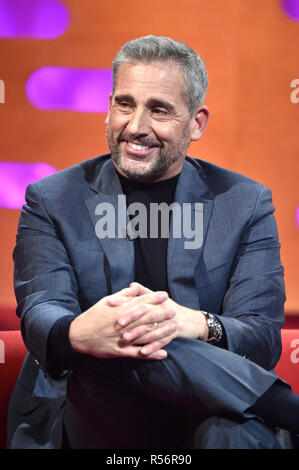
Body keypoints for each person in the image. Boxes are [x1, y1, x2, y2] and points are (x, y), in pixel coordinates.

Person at [7, 35, 299, 449]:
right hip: (91, 406)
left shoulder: (244, 203)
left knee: (237, 436)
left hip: (205, 409)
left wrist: (194, 324)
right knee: (116, 346)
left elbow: (262, 337)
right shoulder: (51, 199)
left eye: (158, 110)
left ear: (196, 123)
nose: (136, 126)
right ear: (109, 107)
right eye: (124, 104)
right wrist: (81, 332)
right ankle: (285, 408)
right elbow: (40, 313)